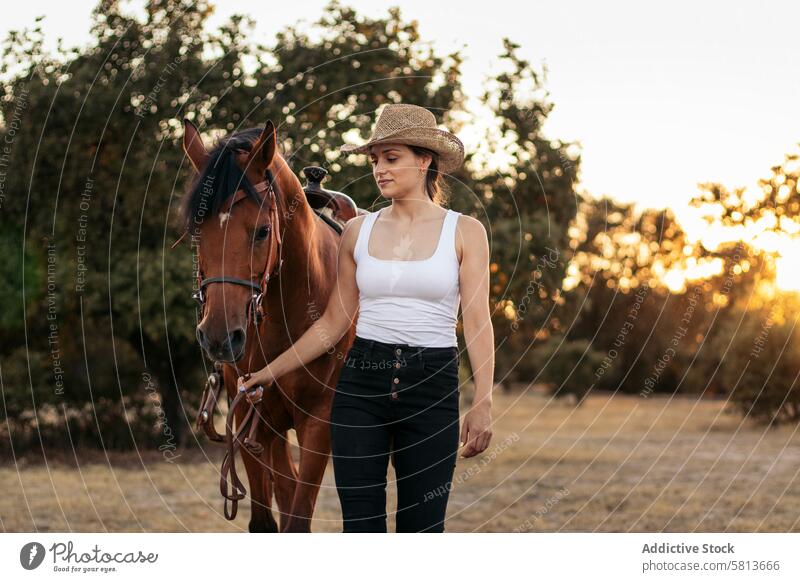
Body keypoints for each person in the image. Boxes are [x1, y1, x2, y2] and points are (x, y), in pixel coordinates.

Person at [239, 103, 494, 532]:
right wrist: (266, 372)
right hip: (361, 387)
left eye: (392, 158)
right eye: (375, 160)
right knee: (361, 528)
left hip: (431, 385)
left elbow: (478, 321)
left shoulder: (465, 230)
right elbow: (332, 323)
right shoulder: (358, 231)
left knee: (423, 526)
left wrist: (483, 402)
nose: (380, 169)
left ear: (425, 159)